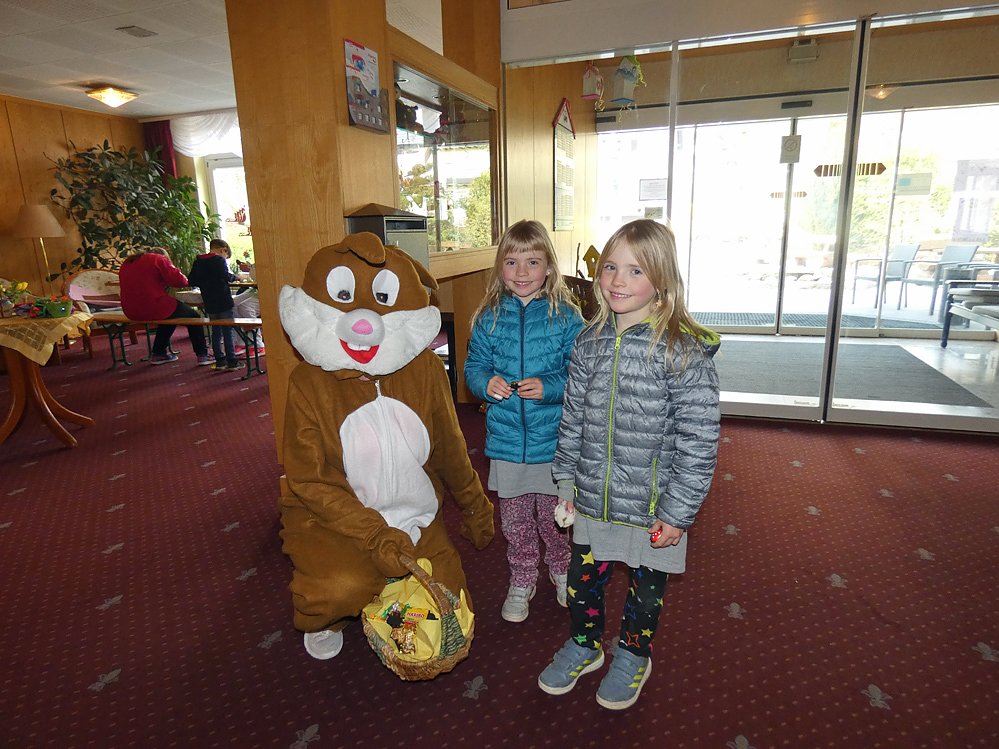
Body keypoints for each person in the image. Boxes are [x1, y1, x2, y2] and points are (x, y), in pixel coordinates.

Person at [538, 219, 721, 710]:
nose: (617, 280)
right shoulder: (588, 341)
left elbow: (700, 440)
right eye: (610, 268)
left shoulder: (682, 351)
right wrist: (566, 481)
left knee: (645, 592)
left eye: (635, 270)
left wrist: (678, 511)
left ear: (661, 279)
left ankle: (635, 654)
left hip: (652, 505)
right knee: (583, 583)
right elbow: (572, 418)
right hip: (593, 494)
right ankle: (585, 644)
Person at [463, 219, 584, 623]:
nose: (521, 272)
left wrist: (549, 387)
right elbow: (474, 367)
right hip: (507, 443)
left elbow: (583, 375)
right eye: (511, 262)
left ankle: (562, 569)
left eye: (532, 262)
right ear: (500, 267)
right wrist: (486, 383)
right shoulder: (488, 317)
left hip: (554, 444)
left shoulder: (566, 317)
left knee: (556, 519)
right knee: (515, 523)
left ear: (548, 267)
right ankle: (522, 577)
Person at [119, 247, 212, 366]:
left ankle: (159, 353)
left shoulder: (129, 262)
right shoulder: (158, 259)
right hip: (153, 305)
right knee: (194, 317)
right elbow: (180, 281)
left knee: (170, 315)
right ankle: (203, 354)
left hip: (130, 309)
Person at [187, 239, 240, 371]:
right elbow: (225, 276)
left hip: (209, 300)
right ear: (223, 249)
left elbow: (192, 280)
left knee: (216, 331)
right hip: (223, 299)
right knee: (227, 330)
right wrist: (235, 277)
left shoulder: (199, 261)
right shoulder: (218, 260)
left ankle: (220, 360)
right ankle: (231, 360)